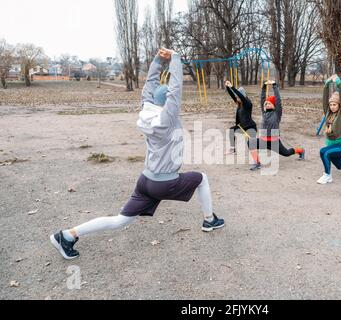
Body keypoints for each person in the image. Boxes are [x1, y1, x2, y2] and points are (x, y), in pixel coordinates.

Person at [50, 48, 225, 260]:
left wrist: (158, 60)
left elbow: (150, 85)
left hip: (146, 180)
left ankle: (67, 235)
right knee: (202, 179)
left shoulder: (146, 111)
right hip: (165, 183)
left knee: (120, 220)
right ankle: (209, 220)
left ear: (153, 102)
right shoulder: (167, 119)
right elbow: (175, 88)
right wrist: (175, 58)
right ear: (167, 104)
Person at [248, 80, 305, 171]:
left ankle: (300, 150)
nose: (266, 105)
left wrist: (274, 86)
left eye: (269, 103)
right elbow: (262, 99)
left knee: (286, 153)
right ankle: (257, 163)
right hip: (263, 140)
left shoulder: (277, 113)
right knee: (250, 142)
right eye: (266, 104)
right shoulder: (264, 113)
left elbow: (278, 100)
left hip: (274, 142)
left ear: (274, 105)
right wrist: (264, 87)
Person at [224, 80, 257, 155]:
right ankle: (232, 149)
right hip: (242, 127)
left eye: (238, 97)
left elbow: (240, 96)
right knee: (232, 130)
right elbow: (233, 96)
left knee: (253, 146)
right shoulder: (239, 103)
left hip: (250, 127)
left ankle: (269, 144)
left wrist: (232, 87)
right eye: (236, 97)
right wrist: (228, 87)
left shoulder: (248, 104)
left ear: (243, 97)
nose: (237, 99)